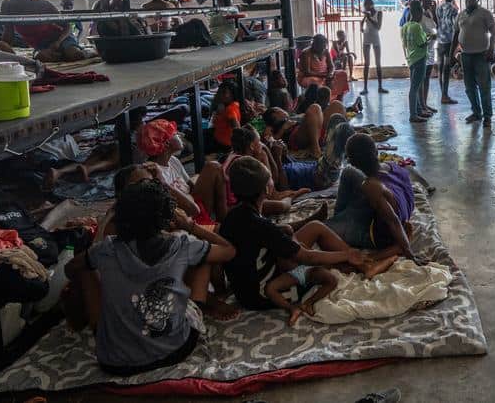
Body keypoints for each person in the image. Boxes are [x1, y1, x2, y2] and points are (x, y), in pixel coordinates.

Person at [64, 179, 237, 375]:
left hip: (115, 361)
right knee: (203, 256)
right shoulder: (182, 244)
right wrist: (190, 227)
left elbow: (70, 269)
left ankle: (101, 327)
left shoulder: (107, 249)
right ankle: (202, 303)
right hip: (175, 349)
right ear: (167, 215)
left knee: (86, 267)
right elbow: (228, 250)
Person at [221, 156, 392, 323]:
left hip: (244, 291)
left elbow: (256, 240)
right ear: (266, 189)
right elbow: (307, 256)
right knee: (321, 267)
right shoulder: (262, 226)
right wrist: (346, 254)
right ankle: (360, 264)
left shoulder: (232, 216)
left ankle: (363, 264)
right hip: (265, 293)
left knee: (315, 227)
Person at [326, 133, 421, 261]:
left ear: (352, 161)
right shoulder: (394, 166)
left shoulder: (372, 186)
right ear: (376, 152)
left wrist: (408, 251)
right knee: (348, 172)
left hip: (379, 235)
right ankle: (341, 215)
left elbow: (393, 220)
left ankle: (395, 247)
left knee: (322, 229)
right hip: (403, 210)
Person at [0, 0, 87, 62]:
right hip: (41, 45)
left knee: (75, 55)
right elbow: (8, 33)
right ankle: (61, 55)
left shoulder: (42, 5)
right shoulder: (7, 6)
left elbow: (67, 26)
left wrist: (57, 42)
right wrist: (3, 47)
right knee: (41, 57)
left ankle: (86, 52)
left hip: (61, 39)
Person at [452, 0, 495, 127]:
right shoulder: (460, 15)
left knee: (484, 87)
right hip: (465, 56)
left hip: (481, 55)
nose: (469, 0)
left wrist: (491, 49)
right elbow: (456, 35)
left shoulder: (484, 13)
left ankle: (487, 116)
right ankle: (476, 113)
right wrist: (451, 55)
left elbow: (494, 33)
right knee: (469, 87)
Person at [140, 0, 213, 48]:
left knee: (196, 24)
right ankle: (211, 43)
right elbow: (178, 22)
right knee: (196, 23)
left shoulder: (143, 7)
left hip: (161, 37)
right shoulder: (167, 5)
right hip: (166, 38)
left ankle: (209, 43)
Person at [401, 0, 431, 123]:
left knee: (416, 86)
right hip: (420, 58)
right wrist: (430, 38)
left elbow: (405, 44)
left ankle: (418, 110)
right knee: (414, 88)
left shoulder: (405, 26)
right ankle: (413, 114)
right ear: (419, 12)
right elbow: (422, 44)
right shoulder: (417, 27)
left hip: (411, 59)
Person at [300, 33, 349, 100]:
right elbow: (307, 72)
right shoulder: (306, 53)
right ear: (314, 45)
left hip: (324, 75)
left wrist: (330, 74)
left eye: (324, 46)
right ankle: (323, 102)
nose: (323, 48)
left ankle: (338, 100)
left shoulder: (325, 51)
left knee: (342, 74)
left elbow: (332, 66)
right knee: (315, 82)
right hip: (309, 77)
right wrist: (324, 76)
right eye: (321, 46)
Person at [435, 0, 460, 104]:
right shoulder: (454, 10)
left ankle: (443, 94)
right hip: (449, 41)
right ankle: (445, 96)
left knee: (440, 68)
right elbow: (456, 28)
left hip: (440, 40)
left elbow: (437, 23)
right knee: (446, 68)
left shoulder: (439, 7)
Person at [418, 0, 439, 116]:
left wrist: (435, 11)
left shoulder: (430, 11)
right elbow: (417, 30)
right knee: (420, 79)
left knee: (426, 78)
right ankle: (420, 106)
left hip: (430, 48)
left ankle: (424, 104)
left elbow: (436, 25)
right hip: (422, 49)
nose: (430, 1)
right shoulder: (418, 12)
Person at [359, 0, 386, 95]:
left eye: (366, 6)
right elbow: (362, 22)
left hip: (375, 38)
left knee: (378, 63)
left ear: (371, 5)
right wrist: (361, 27)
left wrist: (369, 17)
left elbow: (378, 27)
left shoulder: (379, 13)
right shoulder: (367, 14)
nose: (365, 8)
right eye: (364, 6)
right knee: (366, 64)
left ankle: (380, 87)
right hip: (366, 37)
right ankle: (365, 88)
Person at [210, 80, 244, 152]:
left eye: (224, 92)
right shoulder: (233, 104)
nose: (220, 95)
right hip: (219, 140)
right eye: (220, 92)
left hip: (223, 146)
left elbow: (236, 128)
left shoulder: (230, 110)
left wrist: (235, 149)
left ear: (232, 94)